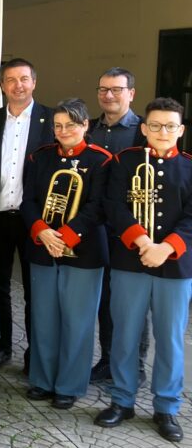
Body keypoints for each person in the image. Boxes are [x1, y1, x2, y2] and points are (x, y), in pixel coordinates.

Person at [95, 97, 192, 444]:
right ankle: (122, 400)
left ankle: (166, 407)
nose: (162, 132)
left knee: (169, 338)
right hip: (130, 261)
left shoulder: (191, 167)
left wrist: (165, 247)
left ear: (180, 130)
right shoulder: (124, 162)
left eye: (169, 126)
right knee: (125, 333)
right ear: (143, 127)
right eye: (155, 125)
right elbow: (113, 205)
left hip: (175, 265)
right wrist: (142, 243)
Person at [19, 98, 111, 409]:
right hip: (44, 248)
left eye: (70, 125)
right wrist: (41, 231)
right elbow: (28, 200)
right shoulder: (41, 157)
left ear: (85, 125)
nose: (63, 131)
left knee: (78, 321)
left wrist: (66, 236)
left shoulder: (102, 160)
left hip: (84, 253)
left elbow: (98, 206)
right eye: (58, 126)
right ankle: (42, 381)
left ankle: (69, 385)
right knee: (44, 318)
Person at [0, 58, 55, 370]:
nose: (18, 85)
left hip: (36, 220)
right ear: (2, 86)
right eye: (11, 79)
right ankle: (0, 346)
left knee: (36, 289)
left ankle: (35, 355)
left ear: (34, 82)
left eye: (24, 79)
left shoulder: (51, 119)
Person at [87, 67, 148, 384]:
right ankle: (109, 359)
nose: (108, 95)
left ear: (131, 93)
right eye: (103, 89)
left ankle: (135, 365)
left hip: (129, 229)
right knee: (106, 298)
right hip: (98, 229)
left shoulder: (144, 131)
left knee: (134, 301)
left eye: (116, 89)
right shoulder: (91, 130)